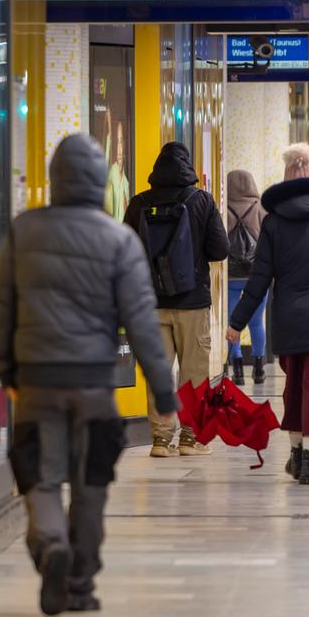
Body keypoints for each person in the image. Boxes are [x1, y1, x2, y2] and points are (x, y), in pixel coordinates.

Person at [0, 133, 178, 613]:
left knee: (43, 478)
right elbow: (140, 318)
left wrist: (5, 368)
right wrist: (161, 387)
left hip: (37, 379)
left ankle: (52, 544)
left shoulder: (24, 231)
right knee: (91, 484)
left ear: (54, 180)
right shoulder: (119, 239)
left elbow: (0, 308)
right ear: (100, 182)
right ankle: (79, 582)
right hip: (95, 382)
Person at [227, 144, 309, 485]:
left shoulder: (272, 222)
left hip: (286, 319)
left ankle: (296, 455)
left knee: (296, 387)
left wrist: (236, 322)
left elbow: (259, 279)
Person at [124, 141, 229, 457]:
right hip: (192, 302)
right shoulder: (201, 201)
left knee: (159, 371)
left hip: (149, 303)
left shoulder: (138, 203)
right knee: (193, 372)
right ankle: (189, 438)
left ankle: (159, 439)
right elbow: (220, 250)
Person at [222, 168, 269, 386]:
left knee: (233, 322)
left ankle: (238, 368)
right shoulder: (260, 208)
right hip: (256, 275)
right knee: (256, 322)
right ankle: (259, 369)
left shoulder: (222, 208)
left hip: (230, 274)